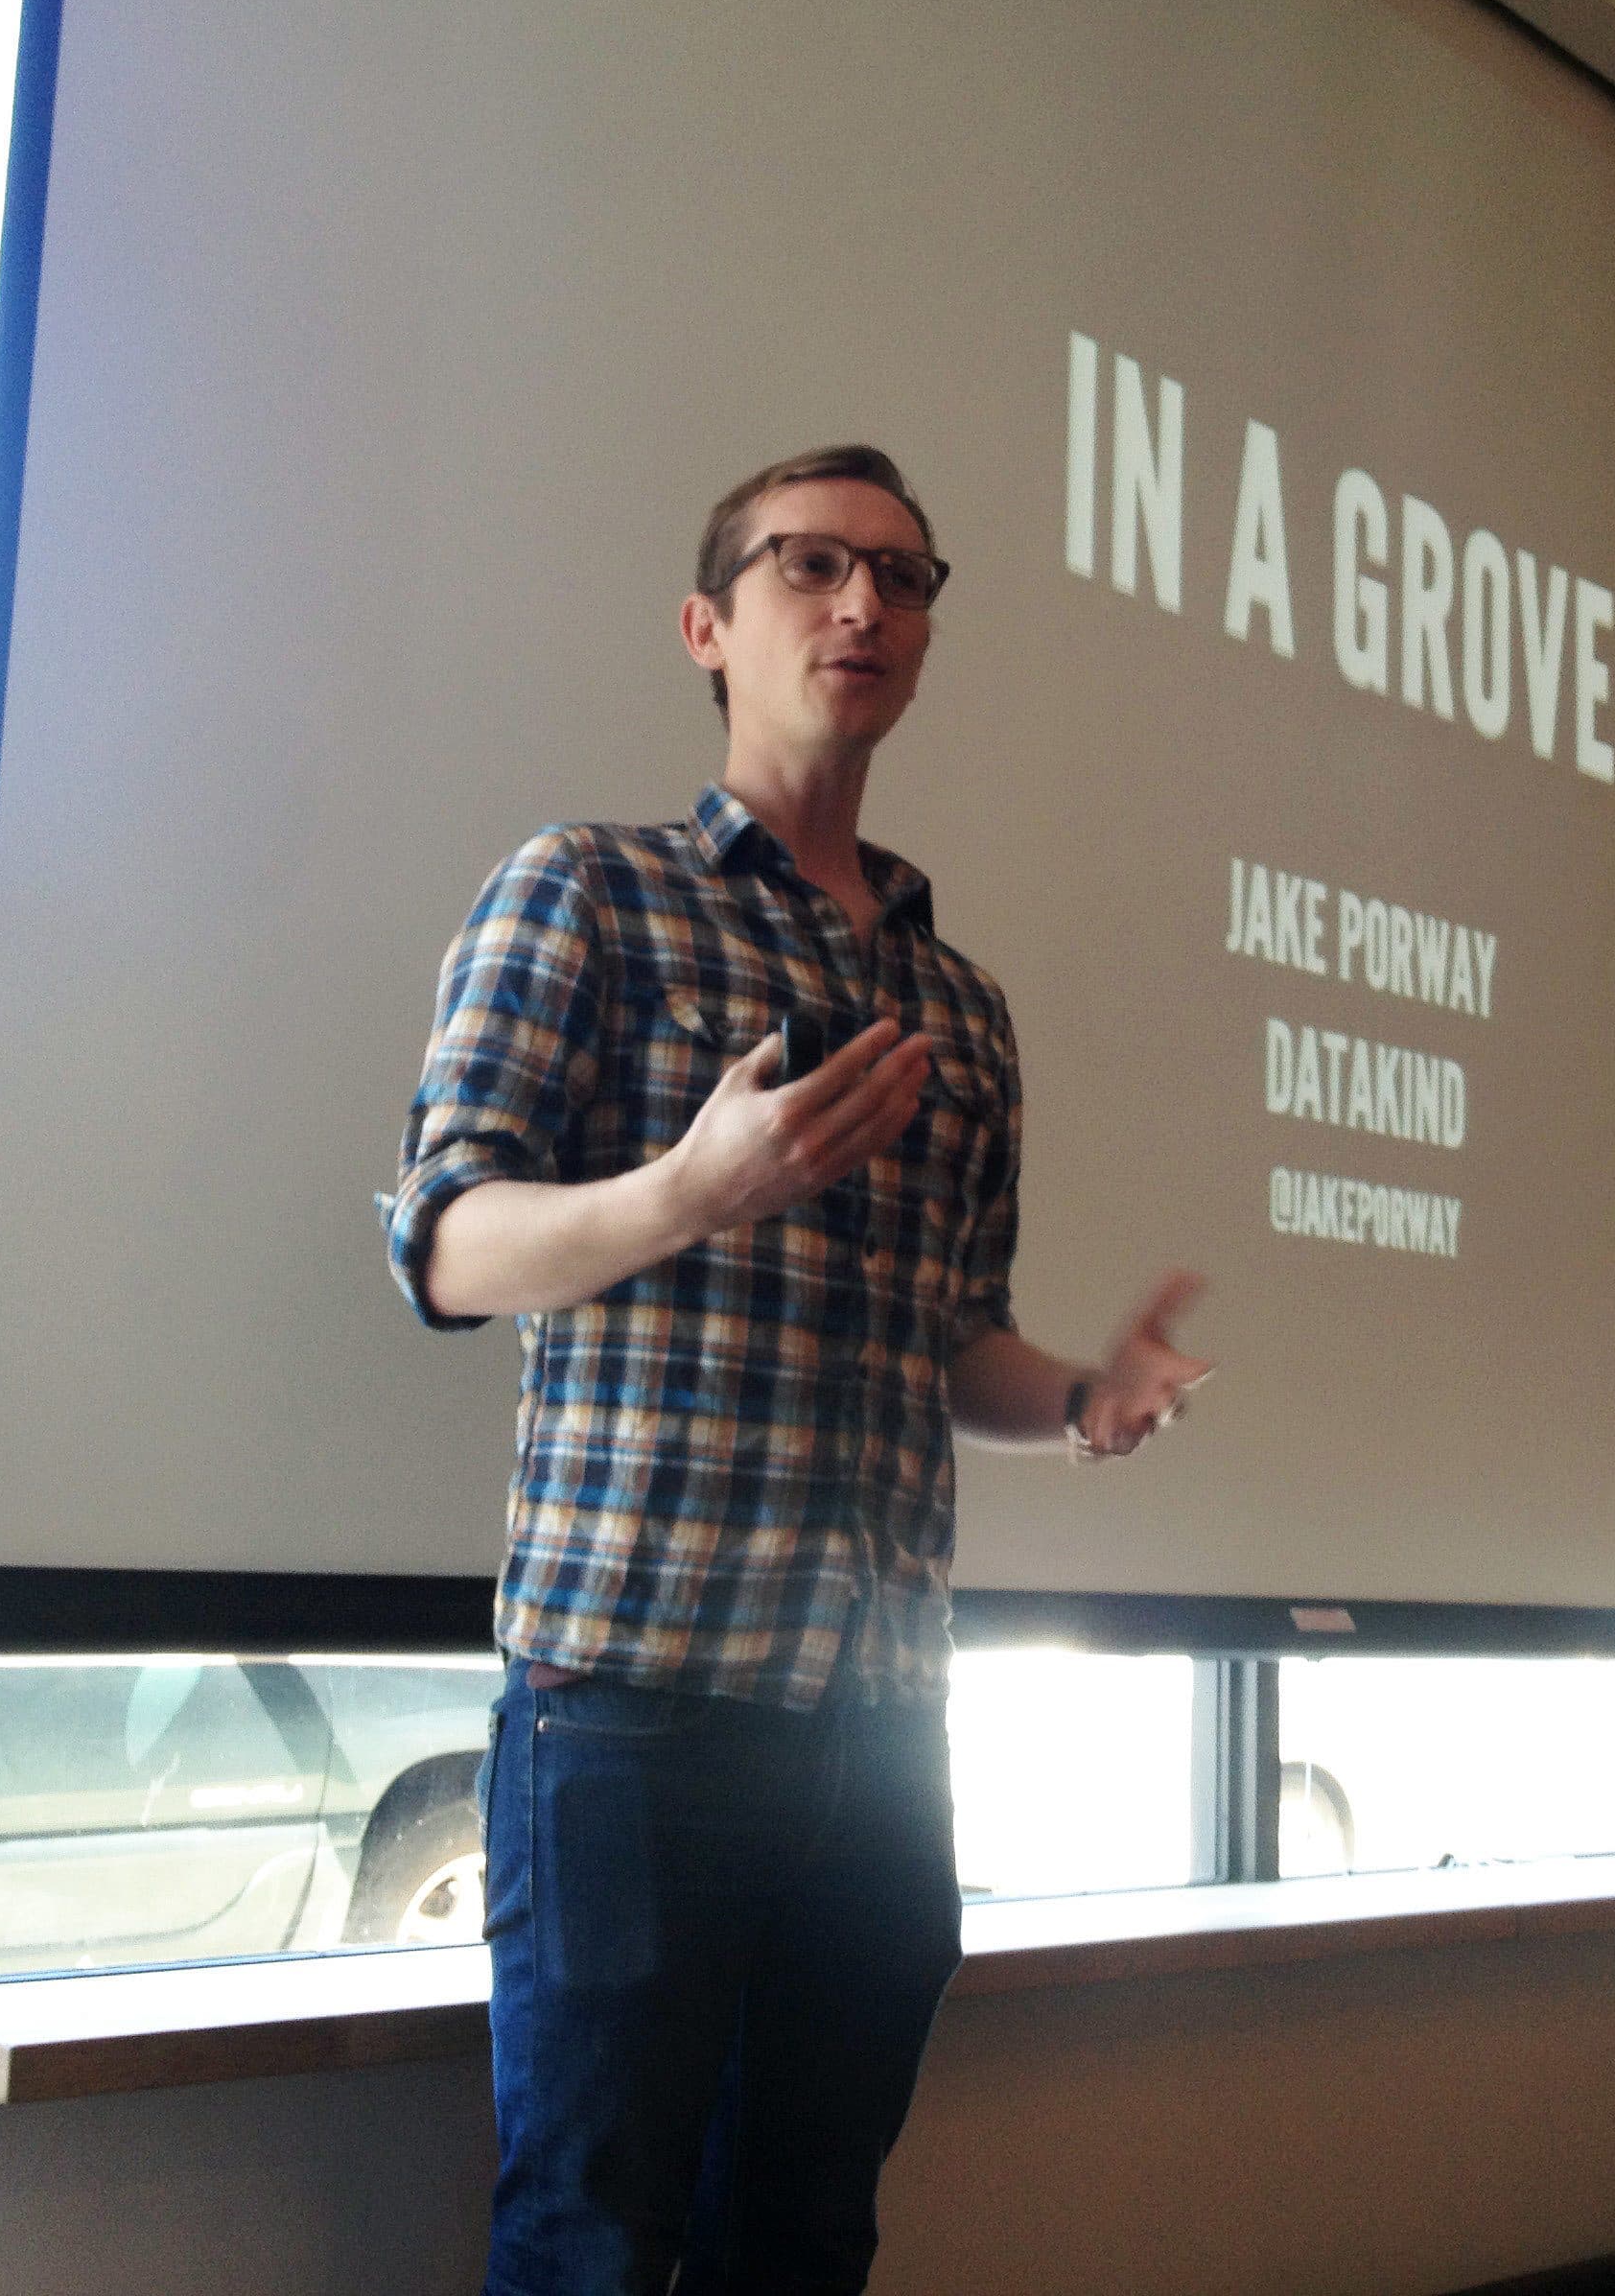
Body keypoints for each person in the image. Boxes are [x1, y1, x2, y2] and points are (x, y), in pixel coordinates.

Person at [384, 442, 1210, 2295]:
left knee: (809, 2244)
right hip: (634, 1710)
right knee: (593, 2250)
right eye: (814, 566)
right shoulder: (588, 891)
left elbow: (950, 1344)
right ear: (711, 623)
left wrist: (1078, 1402)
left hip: (881, 1729)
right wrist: (688, 1189)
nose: (865, 605)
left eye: (906, 579)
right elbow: (444, 1245)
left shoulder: (963, 1006)